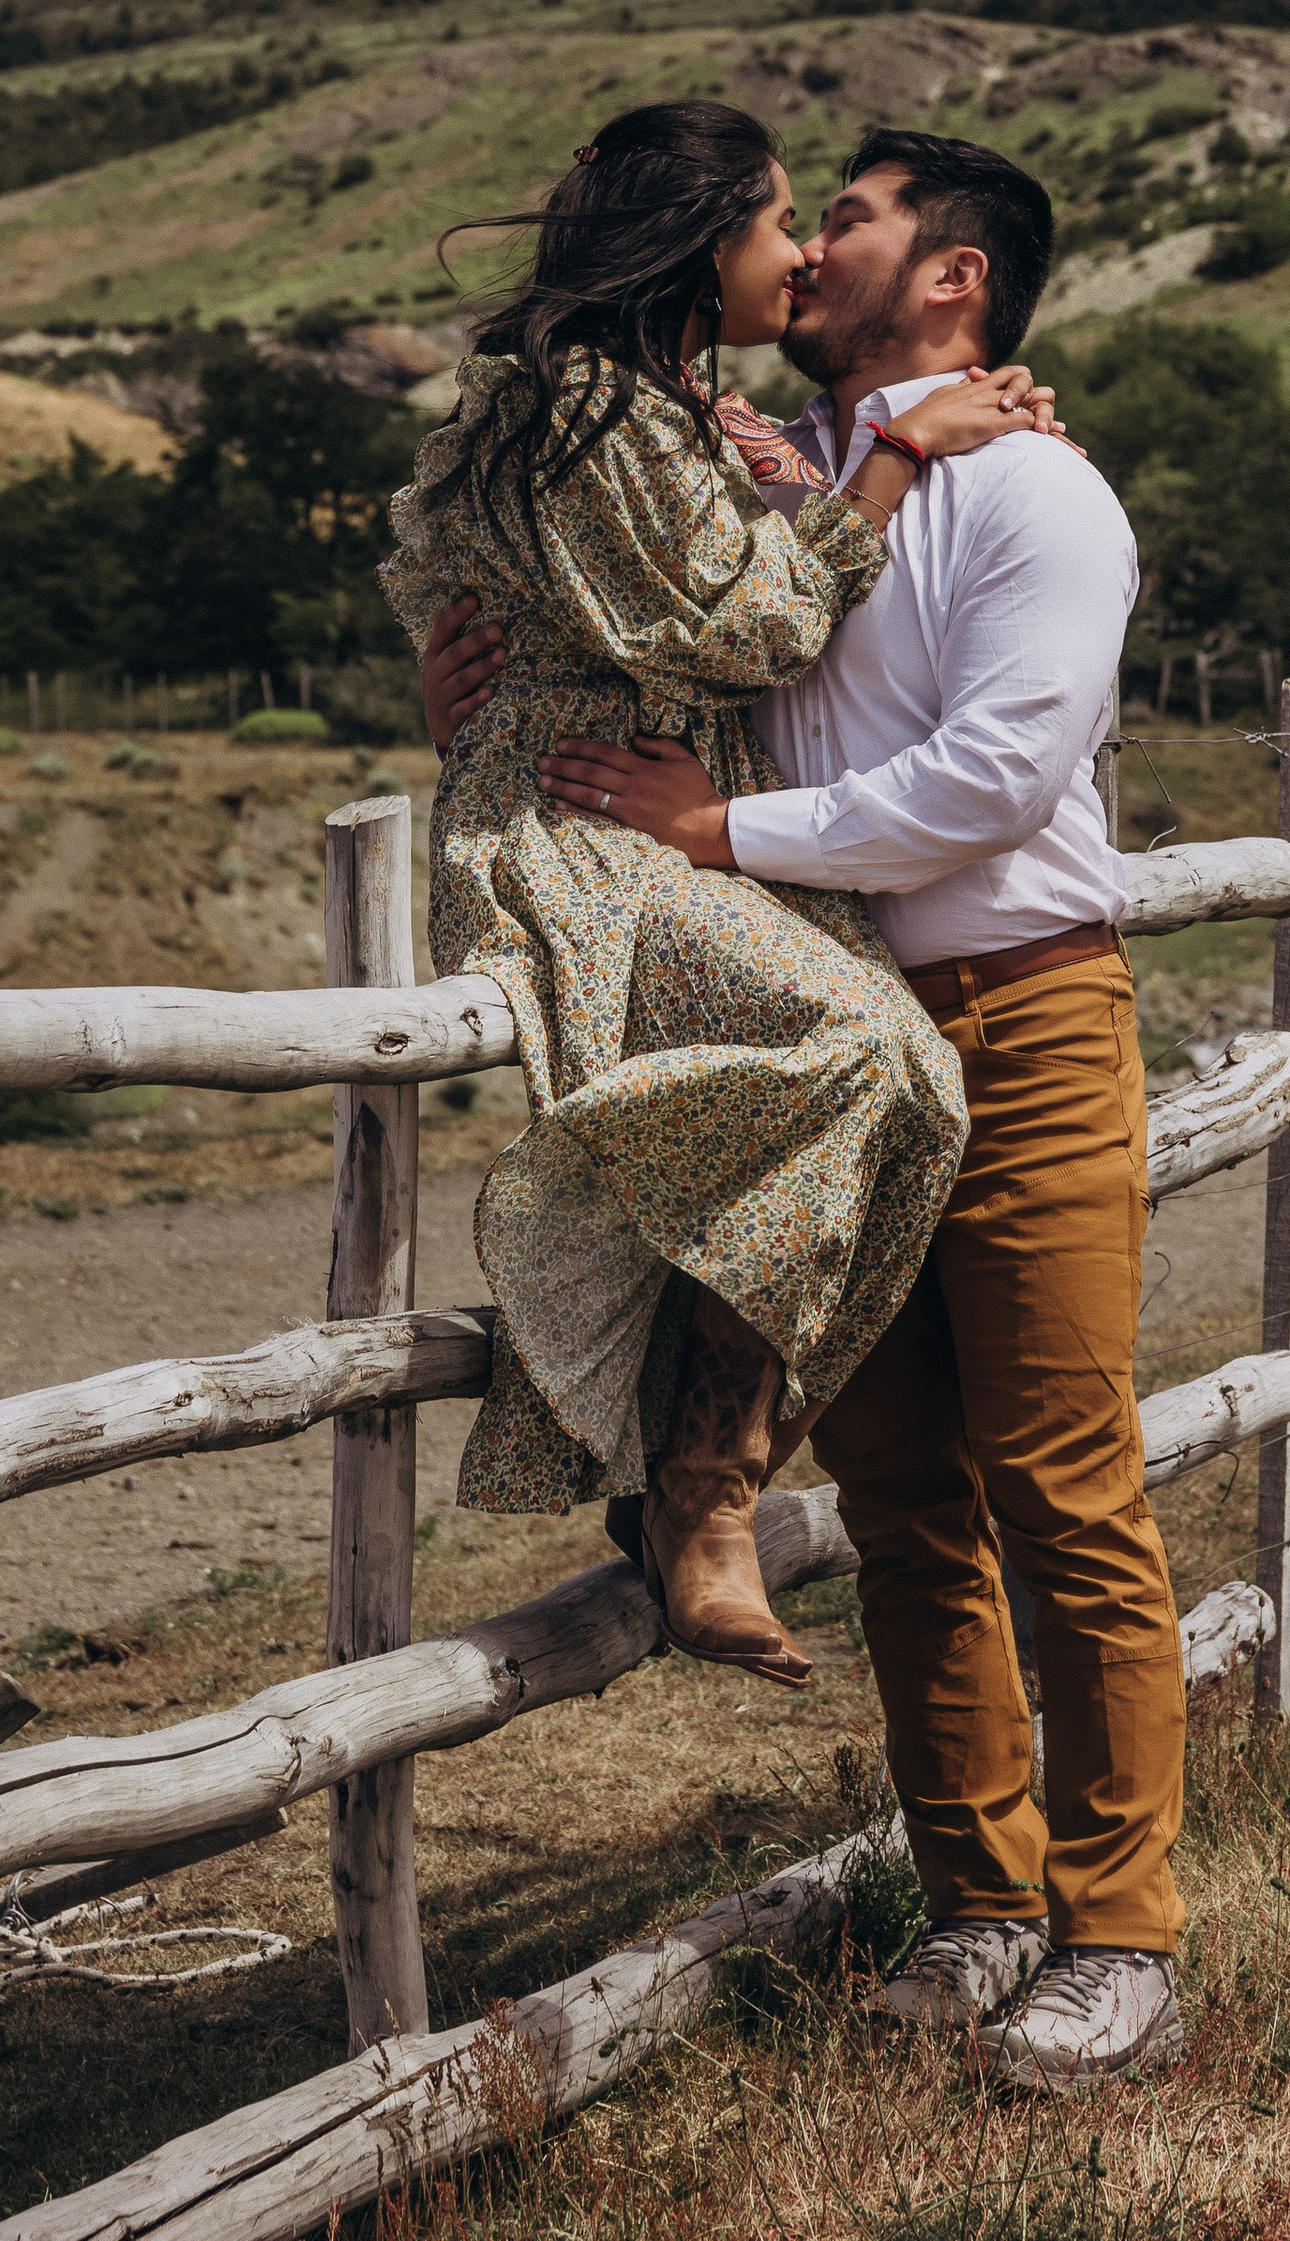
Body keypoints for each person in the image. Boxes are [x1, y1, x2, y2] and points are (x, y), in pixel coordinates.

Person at [428, 129, 1189, 2096]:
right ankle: (981, 1907)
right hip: (831, 1039)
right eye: (799, 213)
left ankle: (1120, 1938)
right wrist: (489, 683)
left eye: (841, 217)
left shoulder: (1033, 491)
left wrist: (721, 833)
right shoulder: (781, 474)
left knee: (1064, 1489)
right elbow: (657, 626)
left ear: (949, 278)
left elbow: (999, 775)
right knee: (904, 1501)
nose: (806, 245)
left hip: (1014, 1017)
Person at [379, 101, 1056, 1692]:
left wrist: (898, 441)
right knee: (873, 1053)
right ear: (700, 244)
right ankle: (702, 1487)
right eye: (778, 224)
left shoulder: (668, 408)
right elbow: (755, 625)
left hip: (655, 804)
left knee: (904, 1091)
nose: (803, 254)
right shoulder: (582, 403)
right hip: (578, 815)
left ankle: (704, 1471)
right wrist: (900, 458)